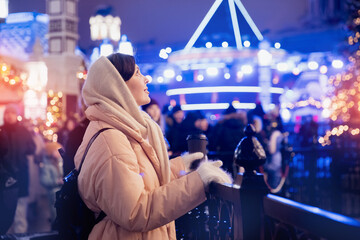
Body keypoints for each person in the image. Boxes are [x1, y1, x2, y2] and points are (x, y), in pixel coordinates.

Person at [75, 53, 231, 239]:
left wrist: (181, 166)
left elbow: (142, 180)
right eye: (137, 73)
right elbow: (136, 211)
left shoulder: (124, 130)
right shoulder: (111, 140)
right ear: (117, 87)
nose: (146, 78)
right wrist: (198, 182)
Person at [1, 104, 36, 233]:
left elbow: (32, 148)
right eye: (7, 113)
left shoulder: (23, 131)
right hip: (4, 177)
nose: (9, 116)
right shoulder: (1, 130)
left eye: (12, 113)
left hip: (20, 174)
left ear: (16, 115)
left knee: (20, 210)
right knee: (5, 211)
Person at [39, 142, 63, 227]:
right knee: (55, 212)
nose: (59, 152)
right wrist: (56, 182)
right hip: (53, 192)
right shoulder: (47, 165)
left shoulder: (60, 161)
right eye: (56, 150)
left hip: (61, 191)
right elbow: (44, 180)